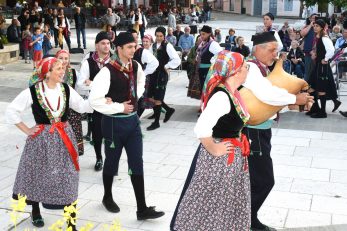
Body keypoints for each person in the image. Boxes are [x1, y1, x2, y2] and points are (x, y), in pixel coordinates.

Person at [5, 57, 93, 230]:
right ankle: (36, 211)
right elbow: (11, 111)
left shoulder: (66, 89)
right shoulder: (32, 91)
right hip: (41, 140)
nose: (63, 71)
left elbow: (83, 107)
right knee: (38, 175)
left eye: (63, 67)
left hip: (64, 139)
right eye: (59, 68)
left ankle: (70, 222)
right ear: (48, 73)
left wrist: (98, 99)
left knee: (69, 177)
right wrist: (27, 130)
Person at [88, 32, 165, 220]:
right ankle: (107, 196)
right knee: (112, 162)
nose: (134, 49)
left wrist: (134, 97)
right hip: (113, 123)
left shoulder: (136, 66)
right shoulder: (107, 71)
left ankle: (142, 208)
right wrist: (118, 106)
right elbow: (94, 101)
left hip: (132, 123)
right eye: (130, 47)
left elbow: (139, 83)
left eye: (135, 46)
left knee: (136, 162)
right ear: (119, 49)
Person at [172, 50, 251, 230]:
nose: (248, 70)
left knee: (225, 202)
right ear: (236, 71)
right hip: (219, 161)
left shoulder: (233, 92)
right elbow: (201, 128)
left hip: (232, 156)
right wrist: (215, 149)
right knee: (214, 204)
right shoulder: (222, 96)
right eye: (246, 66)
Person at [244, 32, 313, 231]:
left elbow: (263, 102)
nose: (276, 55)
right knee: (265, 181)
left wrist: (288, 106)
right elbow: (267, 94)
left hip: (260, 132)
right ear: (258, 48)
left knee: (255, 180)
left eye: (277, 50)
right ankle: (247, 220)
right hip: (253, 133)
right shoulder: (250, 68)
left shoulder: (262, 69)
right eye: (272, 49)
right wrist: (293, 99)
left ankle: (247, 218)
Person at [78, 32, 112, 171]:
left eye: (108, 43)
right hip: (96, 104)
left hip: (112, 103)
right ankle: (99, 158)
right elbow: (80, 84)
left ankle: (111, 160)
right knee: (97, 134)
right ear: (96, 45)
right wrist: (99, 86)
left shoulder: (115, 61)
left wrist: (92, 83)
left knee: (111, 134)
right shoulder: (88, 62)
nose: (106, 46)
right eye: (103, 43)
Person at [146, 27, 181, 131]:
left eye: (161, 36)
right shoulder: (152, 46)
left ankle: (156, 122)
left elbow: (177, 59)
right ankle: (168, 110)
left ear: (164, 36)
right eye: (157, 36)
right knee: (152, 97)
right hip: (153, 74)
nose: (158, 38)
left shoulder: (167, 46)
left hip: (161, 75)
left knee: (157, 99)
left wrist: (167, 66)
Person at [307, 19, 341, 118]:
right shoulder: (319, 37)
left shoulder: (325, 38)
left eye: (317, 26)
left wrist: (325, 59)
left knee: (321, 89)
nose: (315, 27)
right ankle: (315, 108)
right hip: (317, 66)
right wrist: (316, 54)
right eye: (314, 25)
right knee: (310, 87)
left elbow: (331, 50)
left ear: (322, 27)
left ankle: (322, 112)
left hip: (322, 67)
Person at [56, 50, 84, 156]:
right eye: (61, 58)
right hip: (56, 111)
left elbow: (79, 90)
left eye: (66, 58)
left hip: (72, 112)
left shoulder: (74, 73)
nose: (63, 61)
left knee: (72, 139)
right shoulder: (50, 73)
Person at [129, 30, 159, 118]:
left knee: (141, 99)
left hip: (139, 80)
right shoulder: (122, 50)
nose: (135, 39)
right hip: (127, 80)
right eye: (132, 37)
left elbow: (155, 63)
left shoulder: (142, 51)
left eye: (136, 37)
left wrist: (143, 73)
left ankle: (136, 119)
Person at [196, 25, 223, 93]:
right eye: (201, 34)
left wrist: (212, 61)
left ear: (209, 34)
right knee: (202, 91)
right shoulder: (203, 43)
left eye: (203, 34)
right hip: (201, 70)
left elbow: (221, 55)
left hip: (208, 71)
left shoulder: (213, 44)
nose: (201, 36)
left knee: (208, 91)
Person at [301, 13, 317, 81]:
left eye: (316, 18)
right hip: (308, 53)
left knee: (315, 72)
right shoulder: (307, 27)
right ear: (310, 19)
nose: (314, 19)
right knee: (307, 72)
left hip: (316, 54)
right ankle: (305, 87)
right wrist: (310, 25)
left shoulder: (320, 28)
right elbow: (302, 34)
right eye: (313, 18)